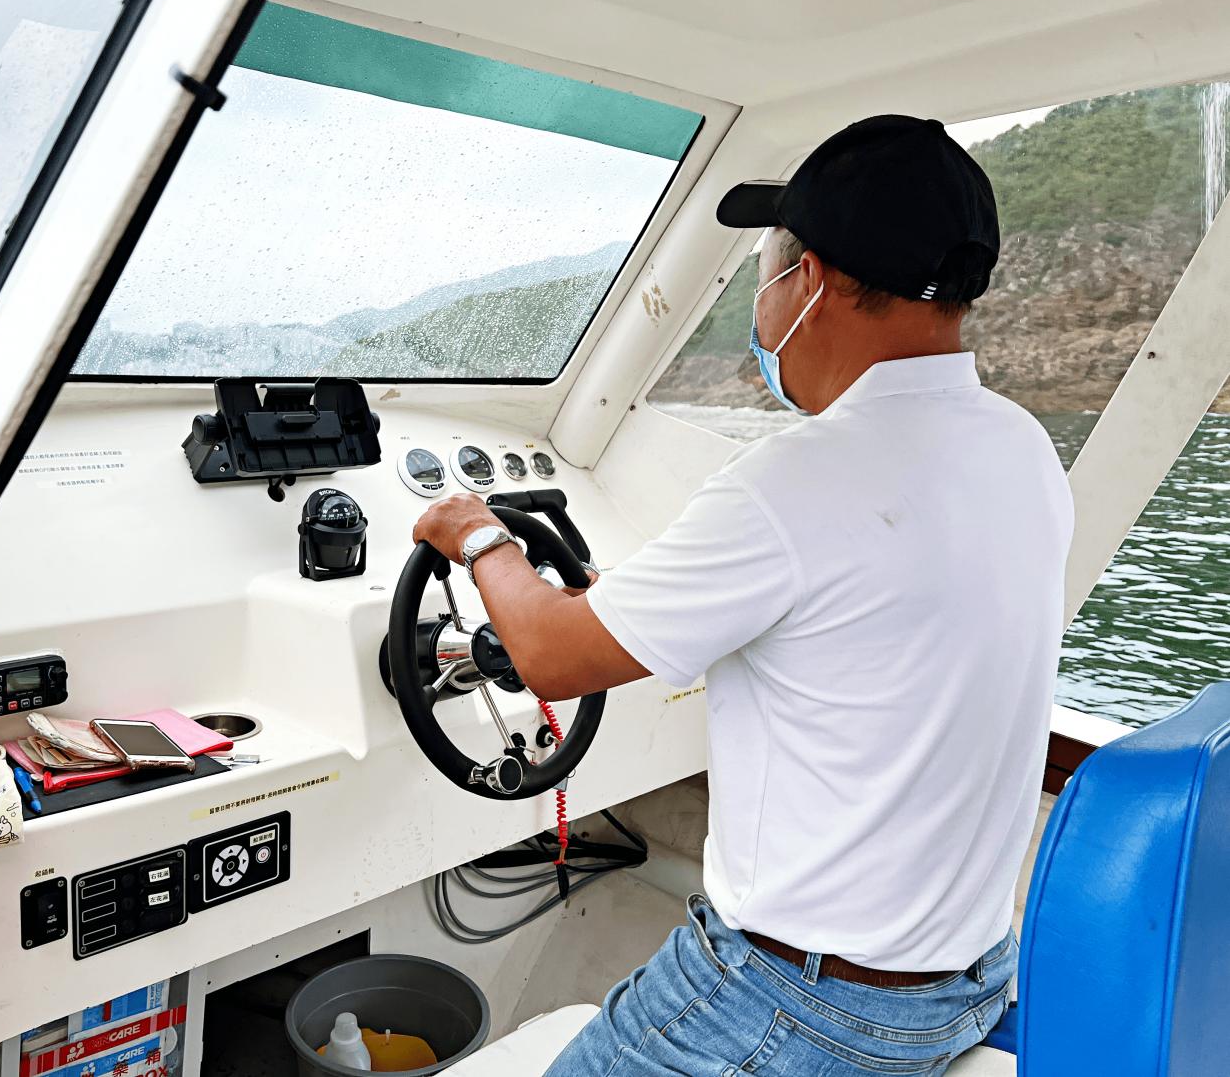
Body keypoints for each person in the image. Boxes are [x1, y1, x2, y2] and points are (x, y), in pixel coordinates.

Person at [411, 115, 1073, 1075]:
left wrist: (474, 536)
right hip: (959, 984)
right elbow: (863, 626)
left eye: (768, 267)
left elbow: (550, 654)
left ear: (810, 280)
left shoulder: (796, 480)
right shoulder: (1021, 448)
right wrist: (615, 602)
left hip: (795, 1006)